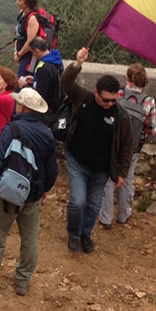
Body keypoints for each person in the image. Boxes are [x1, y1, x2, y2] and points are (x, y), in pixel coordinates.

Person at [0, 88, 58, 298]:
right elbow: (52, 169)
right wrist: (44, 190)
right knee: (30, 239)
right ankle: (22, 281)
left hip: (6, 194)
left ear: (22, 107)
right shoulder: (47, 135)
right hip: (32, 195)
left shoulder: (11, 129)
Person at [60, 47, 134, 254]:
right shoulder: (84, 99)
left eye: (114, 100)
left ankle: (86, 233)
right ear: (96, 93)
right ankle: (73, 234)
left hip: (101, 169)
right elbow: (65, 83)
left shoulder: (121, 116)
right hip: (77, 160)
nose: (110, 104)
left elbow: (127, 145)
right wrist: (77, 64)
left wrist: (122, 172)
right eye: (106, 99)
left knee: (93, 205)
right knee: (77, 202)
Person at [98, 63, 156, 229]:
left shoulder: (119, 94)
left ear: (128, 78)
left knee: (108, 180)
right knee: (127, 179)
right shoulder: (148, 101)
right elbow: (151, 130)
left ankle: (105, 217)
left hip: (110, 144)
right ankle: (124, 214)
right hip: (132, 148)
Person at [13, 0, 51, 77]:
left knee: (21, 81)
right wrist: (15, 51)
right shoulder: (22, 13)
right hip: (22, 54)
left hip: (31, 56)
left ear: (26, 3)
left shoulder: (32, 18)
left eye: (20, 1)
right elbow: (18, 35)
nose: (17, 2)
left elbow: (30, 42)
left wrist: (19, 54)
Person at [25, 37, 64, 117]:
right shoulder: (56, 60)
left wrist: (26, 86)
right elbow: (51, 80)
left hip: (47, 109)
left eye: (33, 52)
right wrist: (35, 80)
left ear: (37, 51)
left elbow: (41, 93)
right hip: (58, 104)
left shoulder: (43, 68)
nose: (33, 55)